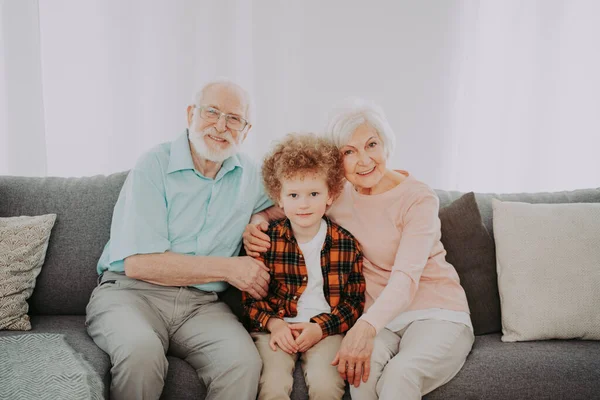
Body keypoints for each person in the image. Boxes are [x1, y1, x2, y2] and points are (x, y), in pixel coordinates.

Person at [243, 98, 474, 400]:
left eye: (371, 145)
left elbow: (406, 278)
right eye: (349, 152)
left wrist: (363, 328)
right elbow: (286, 207)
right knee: (359, 376)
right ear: (337, 162)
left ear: (385, 145)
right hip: (383, 321)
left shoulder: (419, 199)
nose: (364, 160)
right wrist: (256, 222)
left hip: (435, 313)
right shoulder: (337, 195)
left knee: (400, 376)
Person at [86, 80, 281, 400]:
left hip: (201, 306)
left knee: (242, 363)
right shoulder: (154, 164)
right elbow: (138, 263)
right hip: (132, 294)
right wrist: (230, 269)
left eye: (234, 119)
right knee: (141, 351)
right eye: (212, 112)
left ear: (245, 131)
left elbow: (299, 197)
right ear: (191, 114)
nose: (221, 126)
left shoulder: (250, 174)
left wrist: (259, 218)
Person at [242, 133, 366, 400]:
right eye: (294, 195)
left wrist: (321, 327)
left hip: (326, 329)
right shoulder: (267, 240)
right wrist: (274, 325)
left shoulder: (345, 244)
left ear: (330, 195)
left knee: (326, 385)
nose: (304, 203)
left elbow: (354, 303)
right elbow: (250, 298)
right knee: (272, 385)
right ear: (280, 198)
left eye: (313, 193)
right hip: (275, 329)